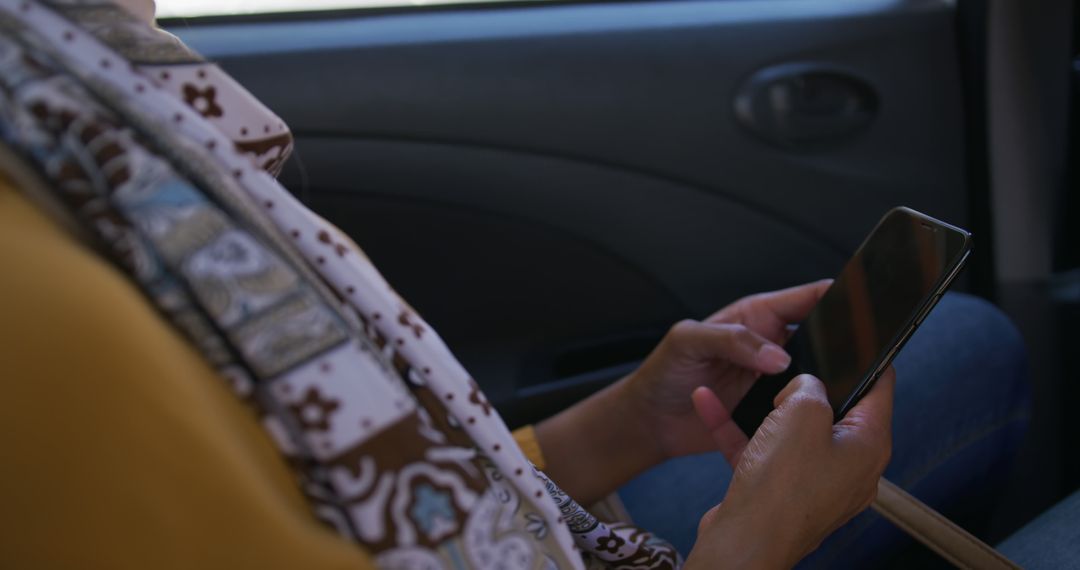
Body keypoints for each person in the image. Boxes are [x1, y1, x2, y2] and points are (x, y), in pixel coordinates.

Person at [0, 0, 1055, 568]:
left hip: (543, 530)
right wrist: (756, 545)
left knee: (961, 337)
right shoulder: (45, 311)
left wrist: (630, 423)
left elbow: (373, 487)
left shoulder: (86, 120)